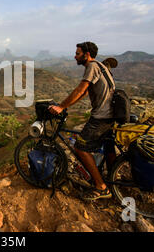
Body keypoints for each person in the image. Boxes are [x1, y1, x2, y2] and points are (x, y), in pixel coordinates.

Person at [48, 42, 115, 201]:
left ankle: (101, 187)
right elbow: (84, 93)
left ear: (87, 54)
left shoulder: (91, 66)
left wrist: (61, 107)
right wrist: (67, 106)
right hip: (111, 114)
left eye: (78, 53)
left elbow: (80, 89)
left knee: (80, 148)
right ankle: (113, 179)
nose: (75, 56)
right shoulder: (100, 66)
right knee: (108, 145)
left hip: (102, 117)